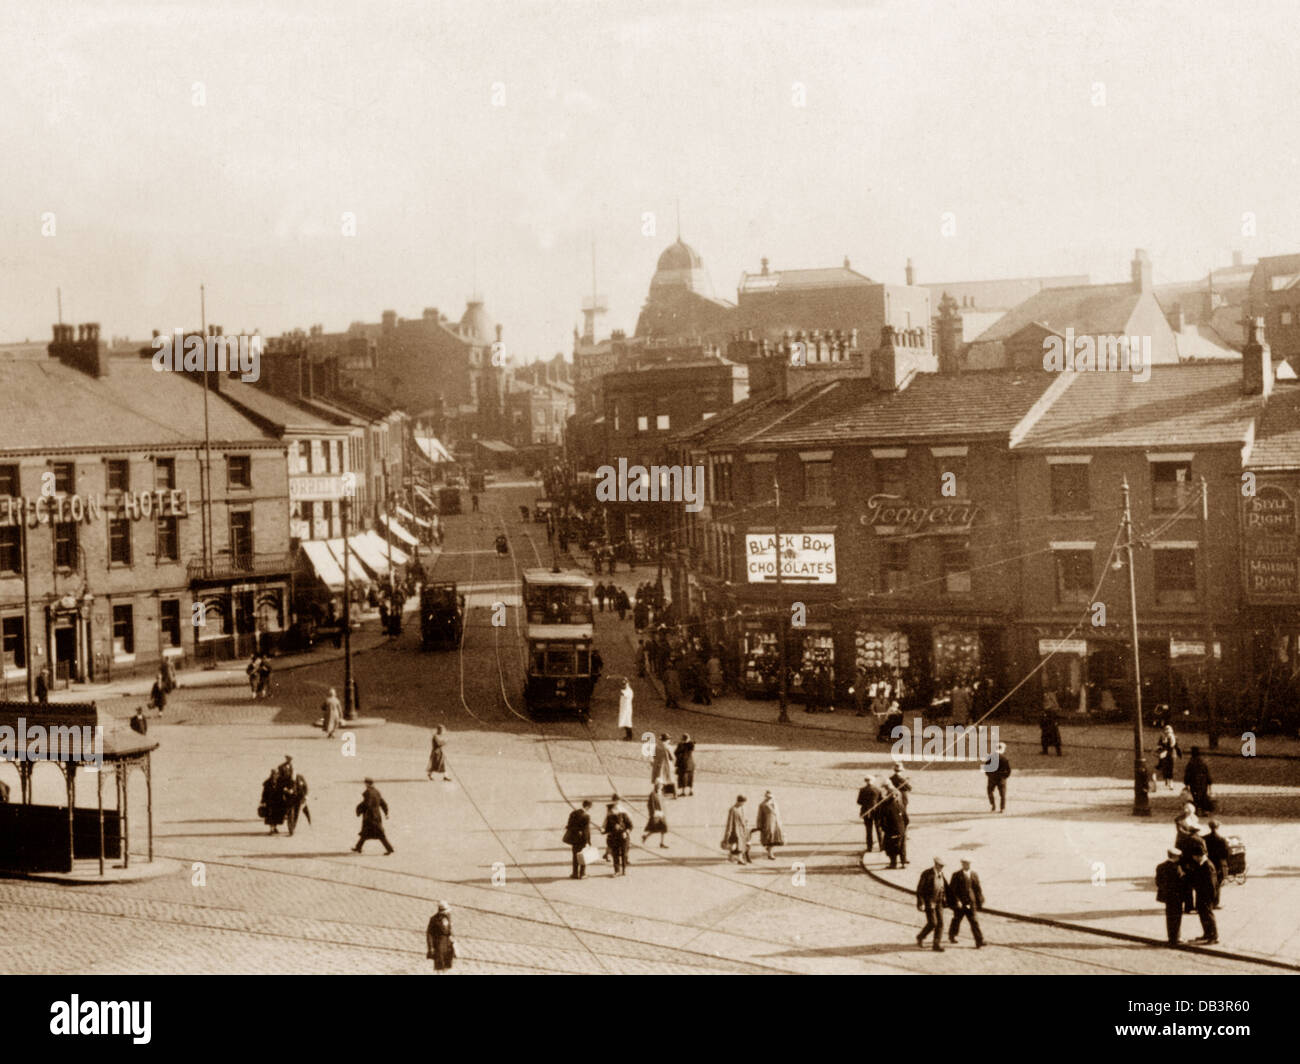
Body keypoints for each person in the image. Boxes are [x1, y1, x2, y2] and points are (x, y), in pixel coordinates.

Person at [947, 859, 985, 948]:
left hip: (971, 903)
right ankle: (952, 935)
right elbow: (952, 890)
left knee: (974, 921)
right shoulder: (956, 875)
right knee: (956, 920)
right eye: (964, 864)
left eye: (968, 864)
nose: (966, 865)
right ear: (962, 864)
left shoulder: (974, 874)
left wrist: (980, 901)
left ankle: (979, 940)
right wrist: (957, 901)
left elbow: (977, 889)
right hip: (960, 904)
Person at [353, 777, 394, 855]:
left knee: (379, 834)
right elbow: (382, 802)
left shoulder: (367, 792)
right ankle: (358, 847)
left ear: (367, 784)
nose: (365, 784)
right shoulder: (377, 791)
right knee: (365, 833)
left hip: (370, 816)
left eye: (365, 783)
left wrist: (359, 809)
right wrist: (386, 812)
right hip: (377, 815)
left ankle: (390, 849)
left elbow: (366, 804)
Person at [915, 858, 949, 951]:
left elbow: (945, 887)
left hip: (939, 902)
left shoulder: (941, 874)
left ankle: (936, 944)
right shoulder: (927, 874)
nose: (942, 868)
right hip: (929, 902)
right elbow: (920, 889)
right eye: (940, 866)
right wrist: (921, 902)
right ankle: (921, 937)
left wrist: (946, 898)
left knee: (940, 923)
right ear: (936, 864)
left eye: (943, 866)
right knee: (933, 923)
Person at [1155, 847, 1186, 947]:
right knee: (1176, 917)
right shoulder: (1176, 868)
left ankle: (1171, 937)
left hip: (1166, 896)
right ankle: (1176, 938)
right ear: (1176, 856)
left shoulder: (1160, 866)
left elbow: (1158, 882)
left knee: (1169, 917)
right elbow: (1181, 883)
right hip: (1176, 897)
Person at [1188, 852, 1219, 945]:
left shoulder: (1208, 866)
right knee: (1203, 915)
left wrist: (1212, 898)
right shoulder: (1202, 864)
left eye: (1194, 857)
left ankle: (1214, 936)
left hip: (1206, 896)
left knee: (1208, 915)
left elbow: (1212, 885)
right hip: (1201, 895)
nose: (1194, 859)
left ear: (1199, 856)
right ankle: (1207, 933)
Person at [879, 783, 908, 868]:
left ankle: (893, 863)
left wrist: (885, 830)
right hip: (902, 830)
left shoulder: (885, 807)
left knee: (891, 847)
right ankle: (903, 863)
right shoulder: (900, 805)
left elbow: (882, 821)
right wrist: (903, 828)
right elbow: (906, 819)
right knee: (902, 846)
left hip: (891, 831)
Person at [564, 800, 593, 879]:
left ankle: (575, 873)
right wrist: (588, 842)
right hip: (582, 840)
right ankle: (582, 874)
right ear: (587, 807)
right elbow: (586, 831)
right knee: (583, 856)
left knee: (575, 856)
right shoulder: (586, 816)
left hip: (574, 839)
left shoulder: (573, 813)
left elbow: (569, 825)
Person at [1204, 819, 1230, 907]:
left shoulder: (1204, 838)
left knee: (1208, 883)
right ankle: (1215, 902)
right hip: (1218, 863)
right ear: (1218, 827)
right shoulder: (1222, 840)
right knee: (1217, 884)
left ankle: (1208, 902)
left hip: (1208, 862)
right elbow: (1226, 854)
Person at [752, 790, 784, 860]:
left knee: (775, 839)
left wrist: (780, 823)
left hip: (776, 823)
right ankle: (770, 854)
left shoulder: (775, 803)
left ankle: (770, 851)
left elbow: (778, 814)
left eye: (770, 797)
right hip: (768, 824)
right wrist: (759, 825)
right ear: (765, 797)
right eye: (768, 797)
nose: (769, 798)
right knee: (769, 839)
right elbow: (760, 816)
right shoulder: (762, 805)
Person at [602, 802, 632, 876]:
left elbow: (630, 826)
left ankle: (624, 869)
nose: (610, 812)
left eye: (611, 811)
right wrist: (603, 831)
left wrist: (626, 832)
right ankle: (617, 871)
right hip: (614, 838)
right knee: (615, 855)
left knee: (624, 854)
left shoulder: (624, 816)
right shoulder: (609, 818)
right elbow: (608, 829)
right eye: (610, 811)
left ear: (615, 809)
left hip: (624, 838)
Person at [426, 902, 455, 972]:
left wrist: (454, 942)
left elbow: (450, 931)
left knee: (447, 964)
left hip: (448, 943)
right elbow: (429, 933)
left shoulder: (448, 917)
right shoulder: (434, 919)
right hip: (439, 944)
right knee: (439, 965)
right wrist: (431, 947)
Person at [722, 795, 751, 864]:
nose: (743, 804)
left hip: (741, 830)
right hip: (735, 830)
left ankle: (733, 857)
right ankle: (739, 859)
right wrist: (728, 832)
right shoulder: (733, 810)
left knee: (740, 845)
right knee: (738, 845)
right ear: (739, 802)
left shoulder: (740, 808)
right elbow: (730, 821)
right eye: (743, 802)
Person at [1183, 747, 1213, 814]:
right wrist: (1209, 781)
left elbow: (1188, 773)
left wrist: (1186, 782)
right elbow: (1206, 772)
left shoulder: (1191, 763)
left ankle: (1196, 810)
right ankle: (1204, 810)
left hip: (1194, 782)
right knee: (1203, 795)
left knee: (1195, 796)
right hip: (1203, 782)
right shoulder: (1202, 762)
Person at [984, 742, 1011, 812]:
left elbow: (986, 768)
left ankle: (993, 805)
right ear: (1002, 749)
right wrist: (1005, 777)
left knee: (990, 791)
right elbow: (1008, 770)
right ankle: (1002, 808)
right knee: (1002, 794)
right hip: (1001, 778)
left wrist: (989, 775)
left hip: (992, 778)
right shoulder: (1004, 759)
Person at [857, 775, 880, 851]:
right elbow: (881, 800)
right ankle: (882, 846)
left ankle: (869, 847)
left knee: (868, 830)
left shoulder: (862, 790)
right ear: (873, 781)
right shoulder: (877, 789)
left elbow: (859, 801)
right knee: (878, 829)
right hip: (876, 811)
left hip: (866, 811)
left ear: (866, 781)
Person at [642, 782, 669, 848]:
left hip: (662, 813)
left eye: (661, 785)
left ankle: (662, 843)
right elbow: (650, 804)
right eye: (659, 785)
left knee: (664, 827)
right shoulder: (653, 794)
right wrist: (653, 813)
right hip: (656, 814)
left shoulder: (661, 793)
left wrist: (664, 811)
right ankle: (646, 836)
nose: (661, 786)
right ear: (656, 785)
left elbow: (663, 803)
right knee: (654, 828)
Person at [1156, 725, 1180, 790]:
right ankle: (1166, 779)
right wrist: (1159, 749)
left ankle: (1171, 782)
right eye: (1166, 731)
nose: (1167, 733)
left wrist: (1179, 753)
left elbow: (1176, 746)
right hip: (1165, 755)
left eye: (1168, 731)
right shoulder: (1162, 737)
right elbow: (1159, 745)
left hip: (1171, 755)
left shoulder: (1174, 737)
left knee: (1171, 768)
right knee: (1165, 768)